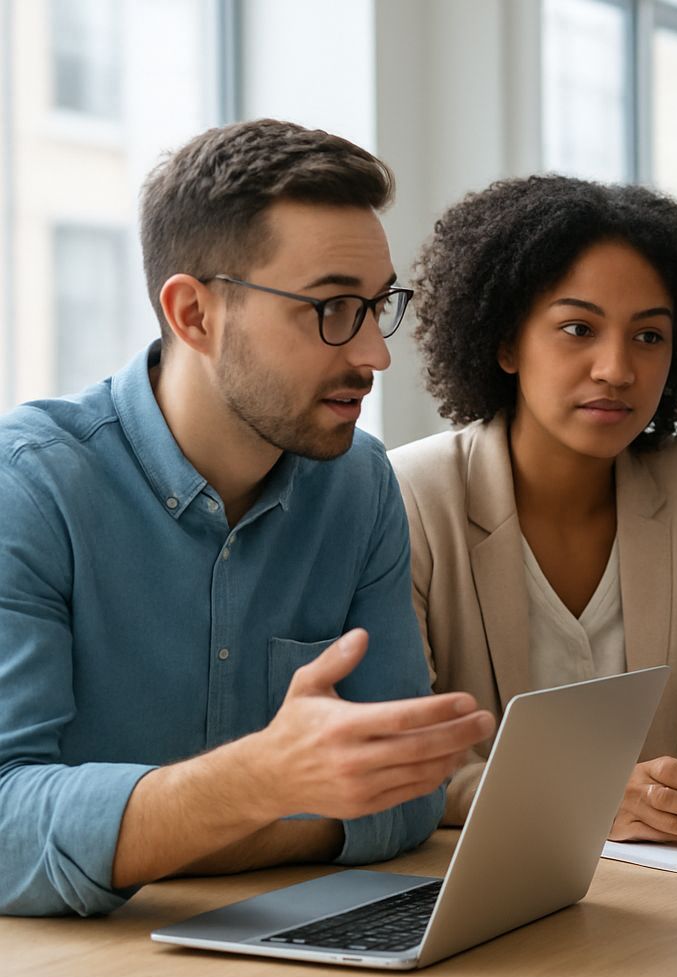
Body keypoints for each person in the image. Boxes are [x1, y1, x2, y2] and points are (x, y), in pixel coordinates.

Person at [0, 120, 495, 917]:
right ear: (193, 314)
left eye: (378, 307)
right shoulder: (30, 486)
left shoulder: (359, 484)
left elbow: (409, 792)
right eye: (333, 307)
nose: (375, 354)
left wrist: (181, 827)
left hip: (278, 951)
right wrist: (263, 781)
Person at [390, 175, 677, 841]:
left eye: (649, 337)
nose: (616, 368)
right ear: (505, 344)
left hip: (663, 887)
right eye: (578, 328)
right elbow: (400, 756)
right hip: (473, 882)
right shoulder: (411, 495)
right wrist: (581, 798)